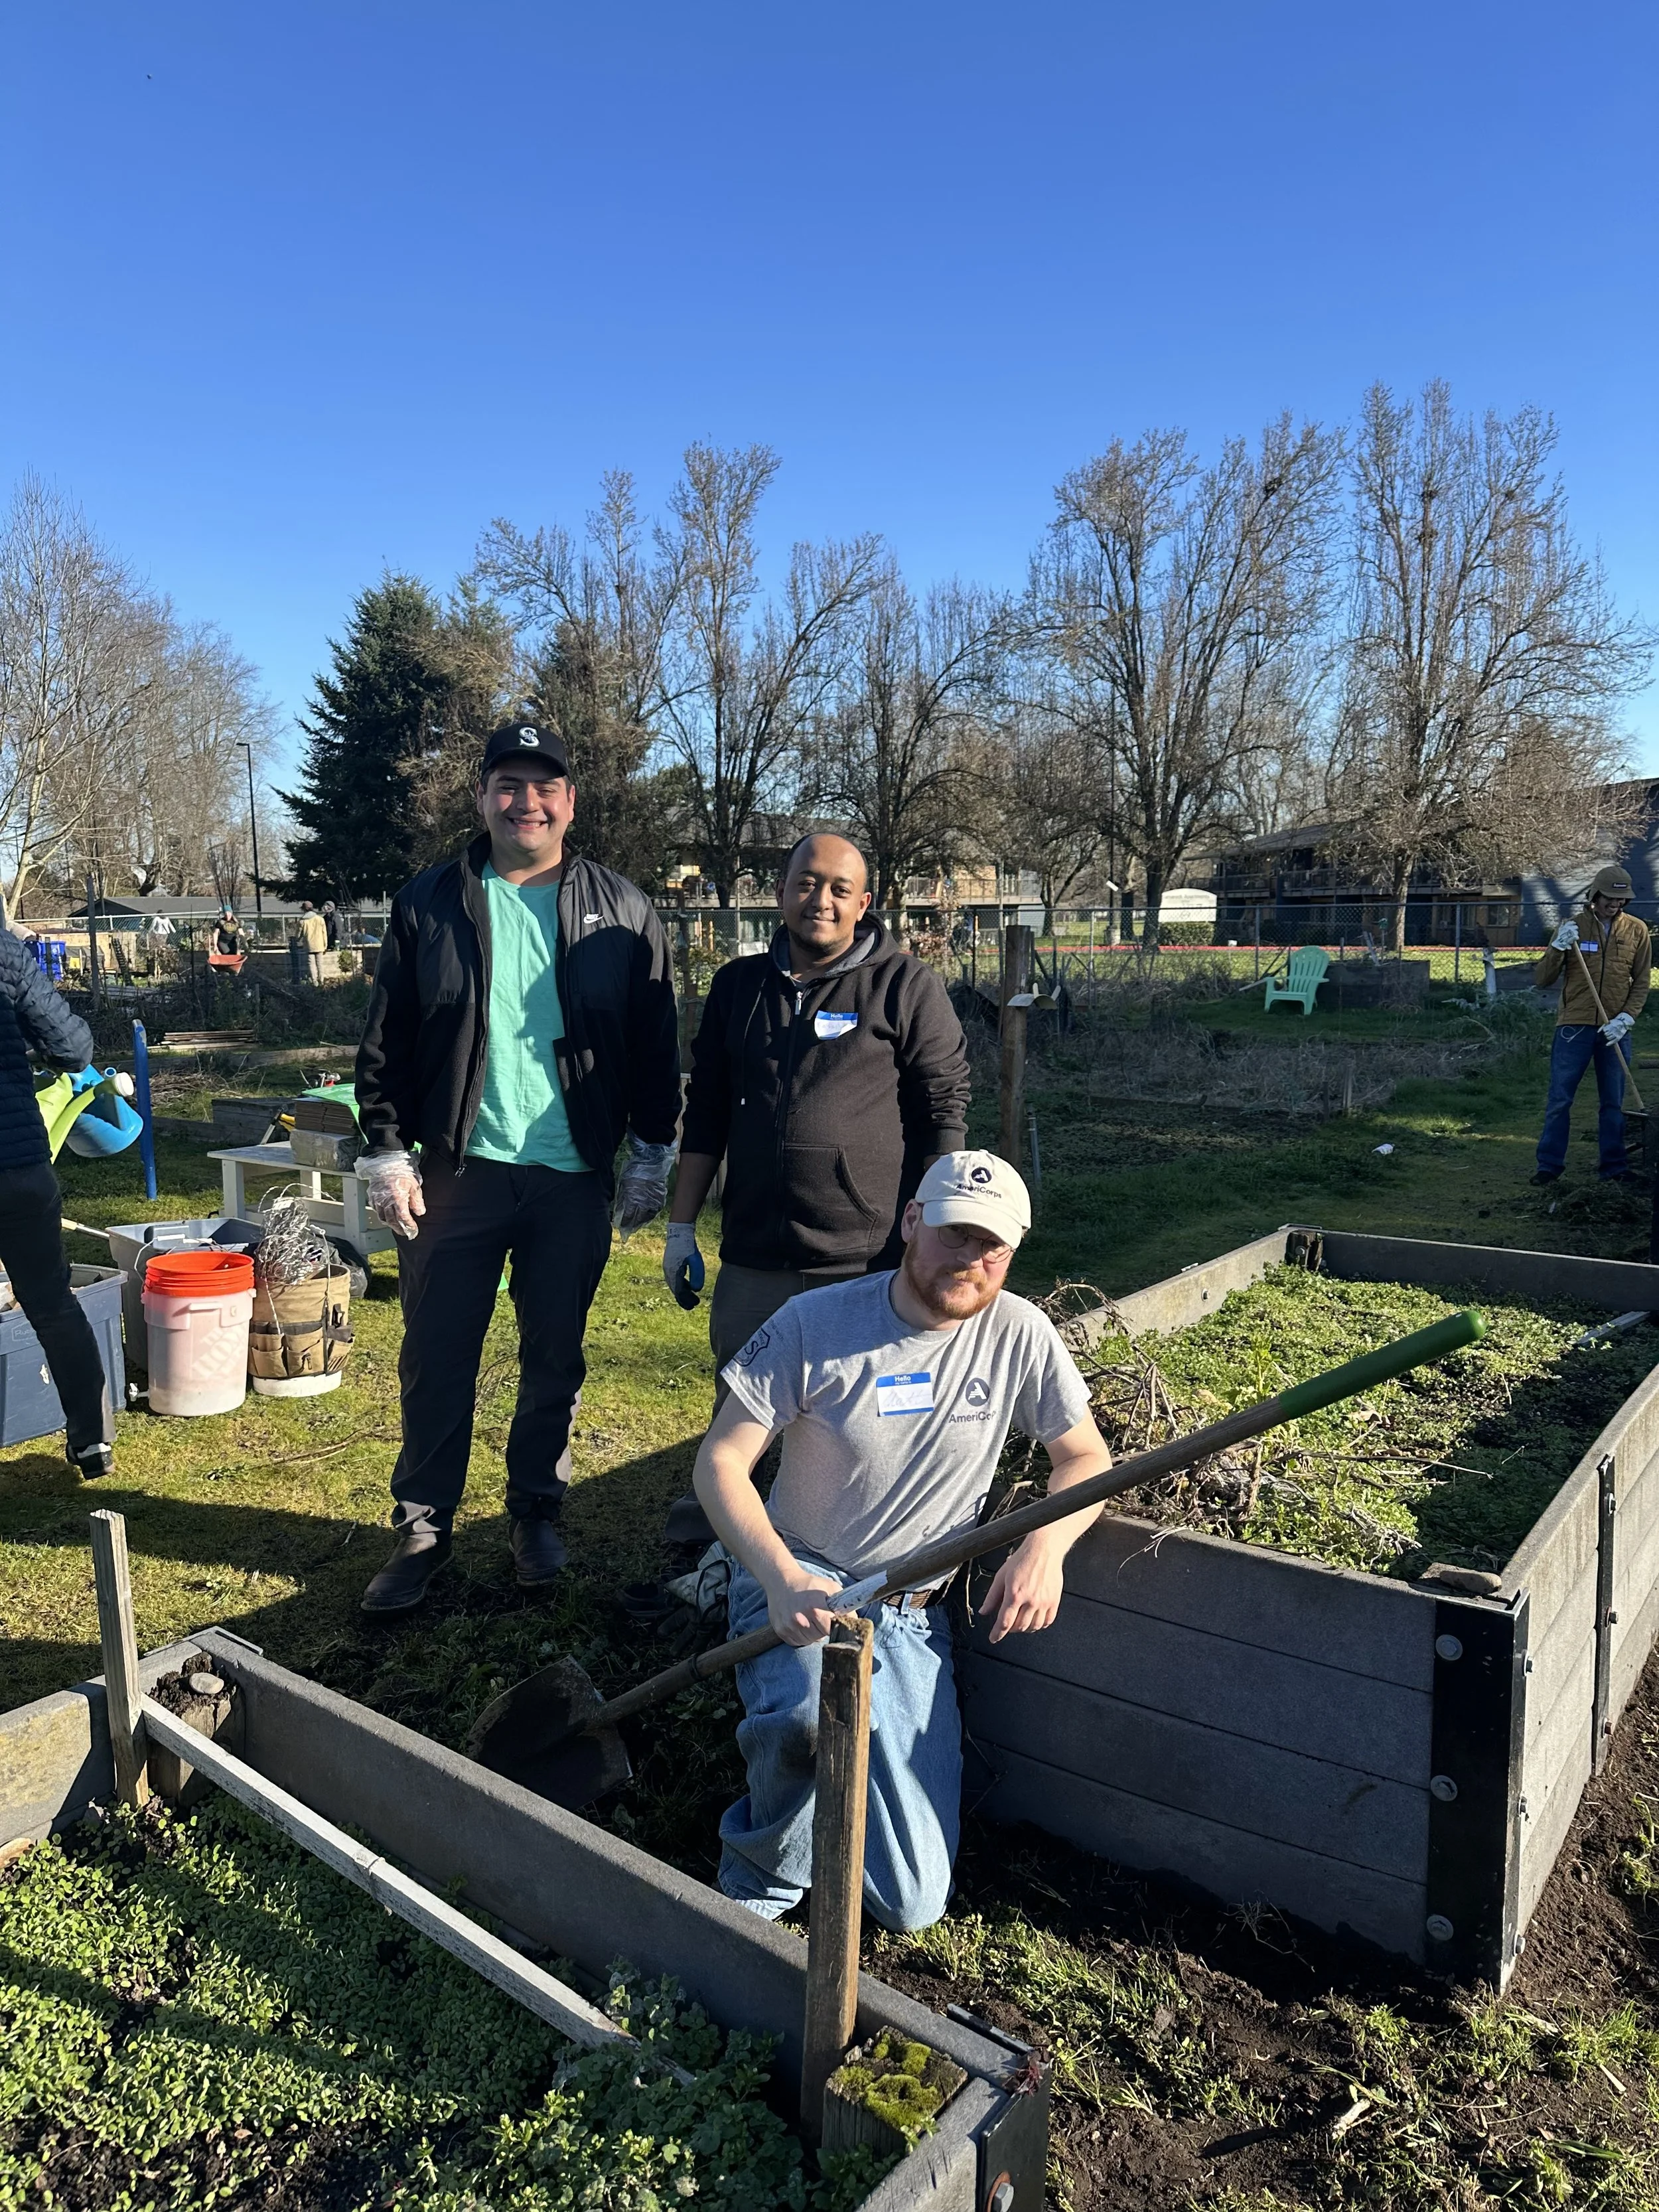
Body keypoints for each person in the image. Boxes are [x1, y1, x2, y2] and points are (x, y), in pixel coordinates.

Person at [691, 1149, 1110, 1931]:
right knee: (808, 1720)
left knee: (910, 1902)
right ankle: (753, 1895)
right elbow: (721, 1462)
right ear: (912, 1222)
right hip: (804, 1573)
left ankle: (824, 1808)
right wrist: (780, 1577)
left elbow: (1086, 1457)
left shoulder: (1018, 1332)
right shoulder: (816, 1325)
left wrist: (1045, 1546)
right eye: (955, 1234)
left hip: (911, 1608)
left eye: (993, 1246)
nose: (972, 1260)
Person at [353, 719, 682, 1613]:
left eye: (544, 787)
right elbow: (386, 1038)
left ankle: (537, 1511)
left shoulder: (624, 908)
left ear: (570, 802)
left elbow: (656, 1043)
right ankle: (423, 1526)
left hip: (571, 1176)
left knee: (553, 1360)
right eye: (508, 783)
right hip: (458, 1174)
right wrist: (384, 1147)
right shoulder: (432, 903)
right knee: (435, 1358)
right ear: (482, 796)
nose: (525, 802)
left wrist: (654, 1149)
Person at [662, 832, 970, 1540]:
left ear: (863, 904)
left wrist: (933, 1235)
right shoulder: (738, 988)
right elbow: (705, 1109)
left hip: (860, 1255)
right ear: (780, 890)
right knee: (740, 1397)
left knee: (856, 1413)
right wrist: (681, 1227)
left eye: (839, 888)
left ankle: (840, 1538)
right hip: (754, 1252)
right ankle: (711, 1538)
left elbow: (942, 1115)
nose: (820, 900)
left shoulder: (904, 987)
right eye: (806, 882)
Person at [0, 934, 117, 1480]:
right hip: (18, 1163)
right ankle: (92, 1440)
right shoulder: (3, 951)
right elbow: (73, 1048)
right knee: (51, 1303)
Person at [1532, 865, 1652, 1185]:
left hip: (1616, 1029)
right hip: (1575, 1026)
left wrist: (1627, 1018)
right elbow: (1543, 979)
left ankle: (1614, 1167)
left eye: (1622, 899)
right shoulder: (1573, 927)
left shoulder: (1637, 931)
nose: (1616, 905)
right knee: (1561, 1099)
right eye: (1610, 898)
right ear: (1595, 895)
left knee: (1613, 1101)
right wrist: (1558, 948)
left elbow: (1642, 980)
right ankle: (1549, 1166)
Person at [298, 901, 330, 985]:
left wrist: (297, 940)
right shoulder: (320, 919)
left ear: (304, 909)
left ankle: (315, 981)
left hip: (309, 945)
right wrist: (325, 945)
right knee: (320, 963)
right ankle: (322, 981)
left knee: (311, 964)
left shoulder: (303, 921)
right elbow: (324, 933)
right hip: (320, 945)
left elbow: (298, 934)